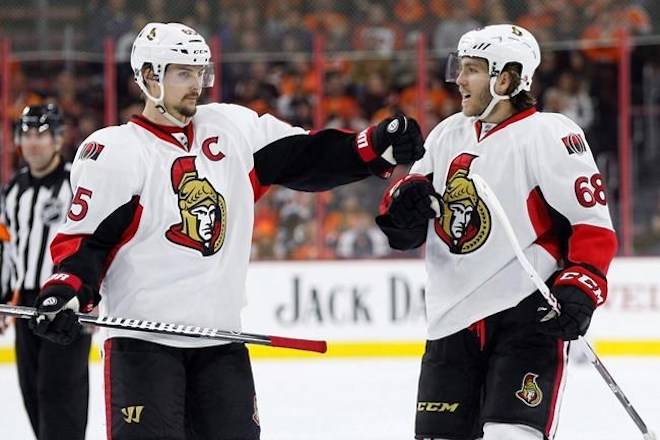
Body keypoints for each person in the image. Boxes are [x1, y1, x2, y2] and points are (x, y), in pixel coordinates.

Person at [29, 22, 424, 440]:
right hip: (142, 347)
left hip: (220, 344)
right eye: (183, 72)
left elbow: (305, 156)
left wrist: (371, 143)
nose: (196, 84)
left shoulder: (232, 129)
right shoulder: (115, 151)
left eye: (200, 72)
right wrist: (67, 287)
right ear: (148, 77)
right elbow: (88, 243)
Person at [376, 24, 617, 440]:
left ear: (506, 79)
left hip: (526, 316)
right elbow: (405, 217)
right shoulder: (446, 134)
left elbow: (590, 222)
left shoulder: (551, 133)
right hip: (450, 322)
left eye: (471, 69)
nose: (458, 80)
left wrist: (583, 284)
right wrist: (404, 205)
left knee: (513, 436)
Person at [0, 104, 91, 439]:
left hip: (66, 303)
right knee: (34, 395)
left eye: (40, 134)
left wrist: (91, 301)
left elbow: (94, 245)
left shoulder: (76, 185)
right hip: (24, 304)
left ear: (57, 140)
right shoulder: (14, 189)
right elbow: (7, 248)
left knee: (61, 398)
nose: (32, 142)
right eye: (26, 134)